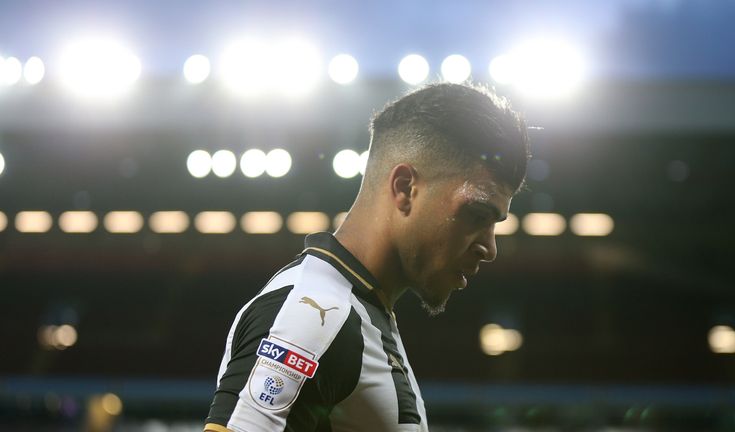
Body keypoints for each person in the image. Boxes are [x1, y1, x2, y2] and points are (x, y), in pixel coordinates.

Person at [204, 82, 530, 432]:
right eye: (477, 215)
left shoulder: (358, 311)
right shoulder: (315, 315)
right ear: (405, 188)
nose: (490, 248)